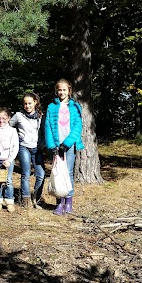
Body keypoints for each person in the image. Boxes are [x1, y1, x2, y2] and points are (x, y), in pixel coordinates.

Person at [44, 79, 84, 215]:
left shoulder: (75, 107)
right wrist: (52, 146)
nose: (62, 92)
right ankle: (59, 203)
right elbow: (47, 127)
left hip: (68, 146)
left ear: (69, 91)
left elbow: (78, 127)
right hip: (56, 146)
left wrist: (66, 144)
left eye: (64, 90)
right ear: (57, 91)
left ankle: (68, 202)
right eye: (59, 90)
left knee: (68, 172)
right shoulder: (51, 107)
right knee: (57, 172)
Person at [10, 93, 45, 209]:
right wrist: (16, 138)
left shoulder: (41, 116)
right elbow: (8, 127)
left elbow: (45, 131)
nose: (27, 106)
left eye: (29, 103)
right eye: (25, 103)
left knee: (41, 174)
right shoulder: (18, 115)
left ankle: (36, 197)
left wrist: (43, 143)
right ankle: (25, 199)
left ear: (35, 102)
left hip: (37, 148)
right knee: (26, 173)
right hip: (24, 147)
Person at [0, 107, 19, 213]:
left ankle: (9, 201)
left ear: (9, 118)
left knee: (8, 181)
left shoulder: (12, 131)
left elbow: (15, 147)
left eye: (4, 118)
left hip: (8, 161)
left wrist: (10, 160)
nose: (1, 121)